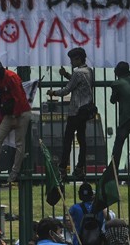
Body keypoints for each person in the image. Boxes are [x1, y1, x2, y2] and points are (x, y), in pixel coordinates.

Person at [47, 48, 94, 179]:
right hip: (85, 110)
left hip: (75, 111)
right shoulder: (89, 70)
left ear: (78, 58)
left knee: (67, 140)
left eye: (72, 59)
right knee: (82, 140)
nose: (71, 62)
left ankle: (62, 168)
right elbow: (79, 84)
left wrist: (53, 93)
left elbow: (67, 90)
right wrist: (67, 75)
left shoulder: (78, 72)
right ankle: (80, 167)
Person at [0, 59, 32, 183]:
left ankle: (15, 171)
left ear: (0, 69)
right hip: (10, 114)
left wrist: (15, 115)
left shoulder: (12, 77)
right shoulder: (0, 78)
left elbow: (19, 98)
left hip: (21, 113)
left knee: (19, 143)